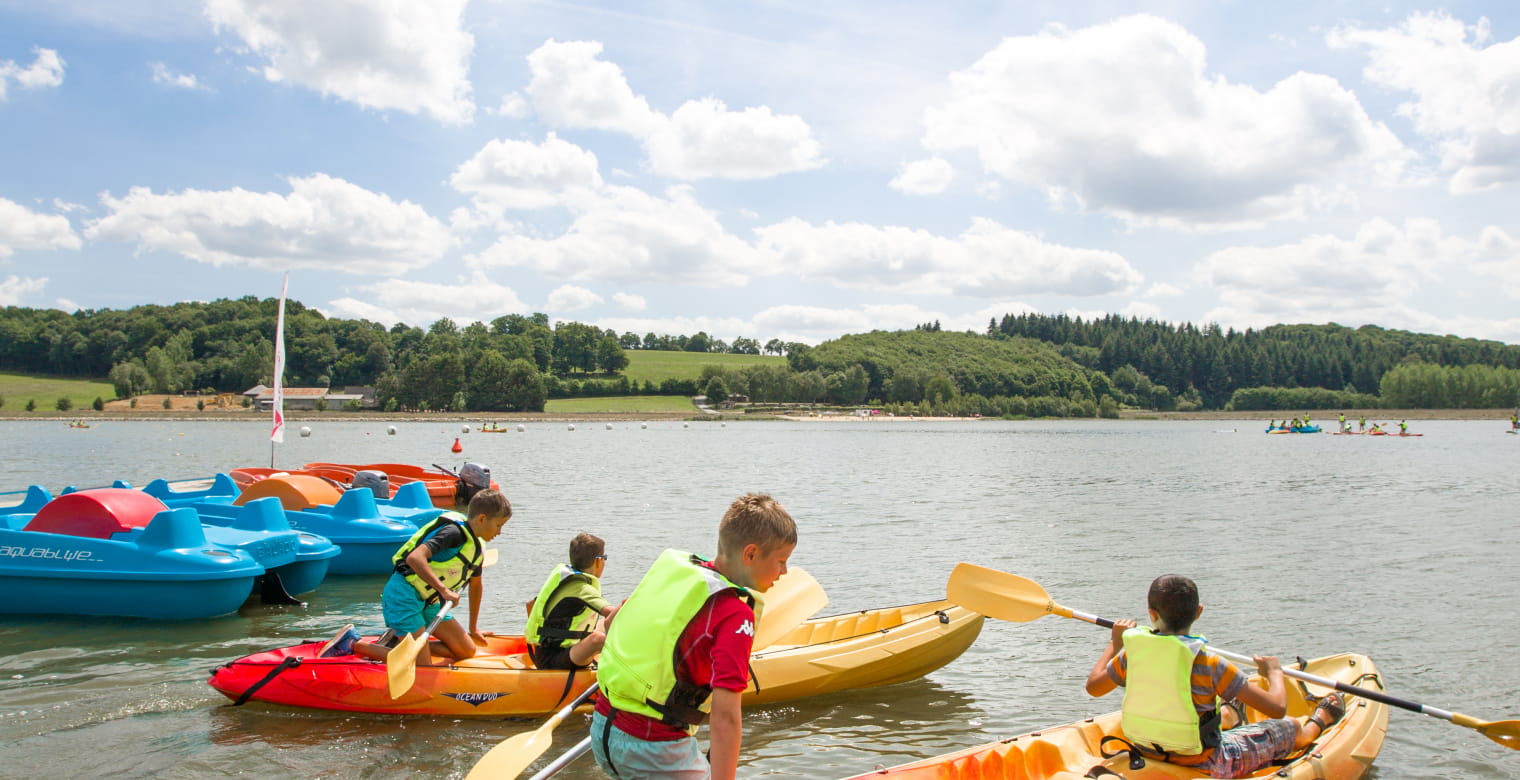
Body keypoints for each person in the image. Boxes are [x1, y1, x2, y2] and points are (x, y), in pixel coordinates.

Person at [590, 494, 798, 780]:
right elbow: (725, 718)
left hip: (603, 729)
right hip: (653, 748)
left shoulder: (678, 573)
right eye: (781, 561)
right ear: (750, 554)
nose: (784, 572)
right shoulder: (735, 614)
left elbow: (612, 623)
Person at [1085, 575, 1344, 778]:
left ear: (1151, 613)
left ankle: (1232, 713)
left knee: (1218, 706)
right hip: (1207, 762)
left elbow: (1094, 687)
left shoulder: (1131, 656)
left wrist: (1116, 643)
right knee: (1288, 726)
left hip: (1145, 751)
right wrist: (1274, 674)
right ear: (1199, 612)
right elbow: (1276, 708)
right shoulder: (1211, 664)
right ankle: (1316, 724)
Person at [342, 489, 512, 662]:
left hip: (429, 602)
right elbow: (415, 558)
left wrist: (473, 627)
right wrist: (444, 590)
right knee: (422, 667)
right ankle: (353, 643)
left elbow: (476, 585)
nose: (499, 532)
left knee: (466, 651)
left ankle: (403, 647)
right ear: (482, 518)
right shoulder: (452, 533)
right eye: (498, 525)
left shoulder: (476, 547)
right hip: (404, 597)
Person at [525, 532, 618, 670]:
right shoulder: (581, 588)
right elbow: (611, 613)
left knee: (602, 624)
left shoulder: (567, 579)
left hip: (545, 653)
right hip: (554, 660)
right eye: (604, 557)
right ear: (598, 560)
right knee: (597, 638)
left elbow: (530, 605)